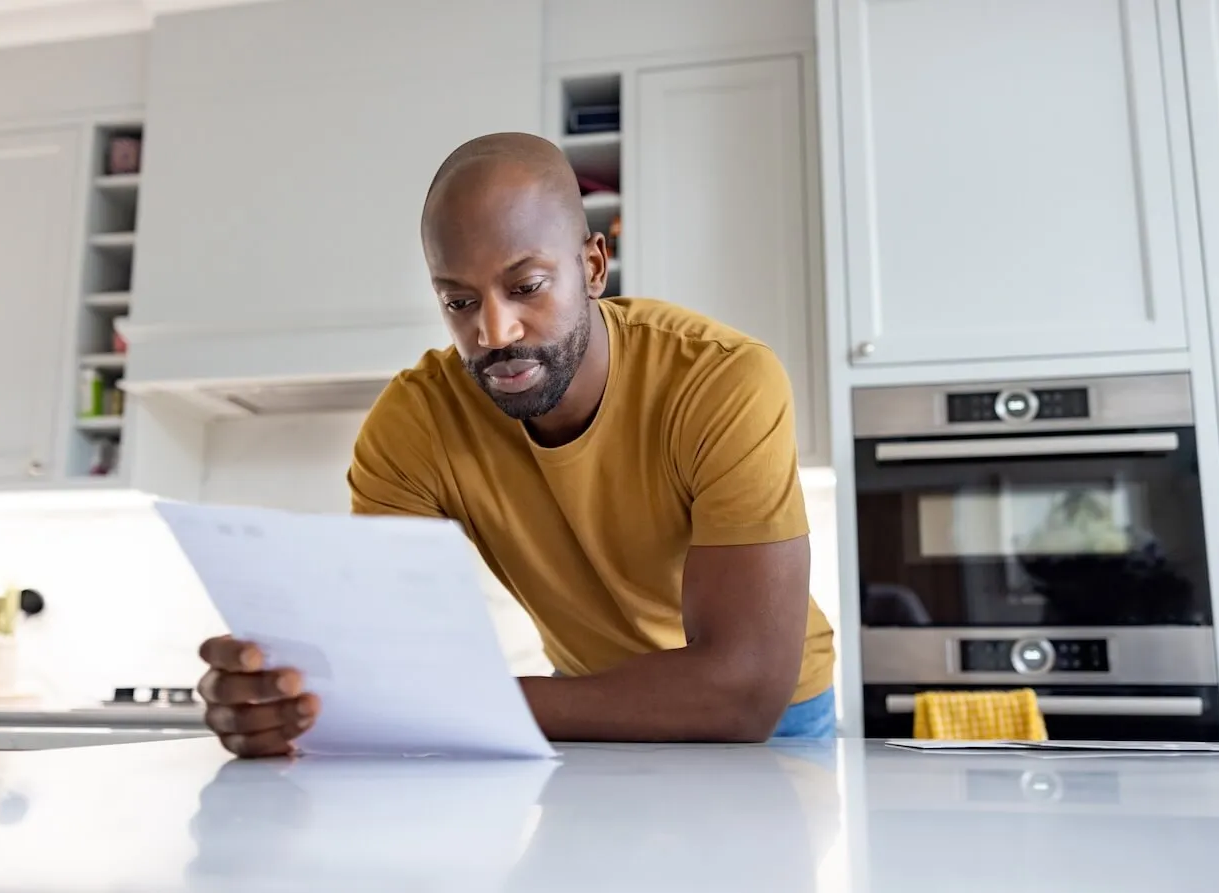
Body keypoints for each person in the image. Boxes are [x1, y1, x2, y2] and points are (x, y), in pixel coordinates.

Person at [196, 132, 837, 758]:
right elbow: (394, 659)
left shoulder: (719, 379)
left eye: (526, 286)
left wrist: (457, 704)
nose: (494, 331)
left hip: (772, 718)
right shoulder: (413, 424)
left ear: (592, 267)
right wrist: (287, 700)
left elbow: (741, 691)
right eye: (459, 301)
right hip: (581, 703)